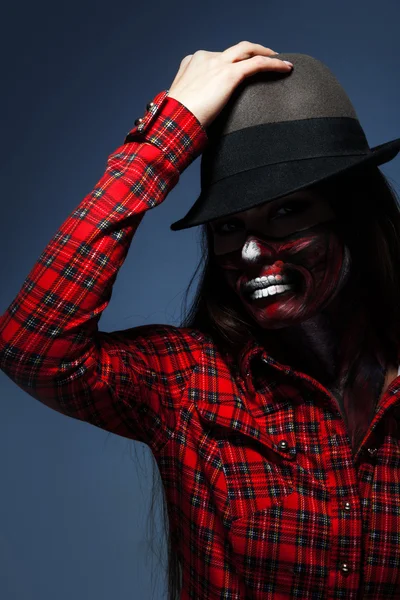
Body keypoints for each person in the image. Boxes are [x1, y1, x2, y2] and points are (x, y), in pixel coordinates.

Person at [1, 40, 400, 599]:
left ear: (354, 217)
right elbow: (31, 345)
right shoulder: (189, 384)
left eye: (288, 211)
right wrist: (168, 133)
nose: (253, 253)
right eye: (229, 226)